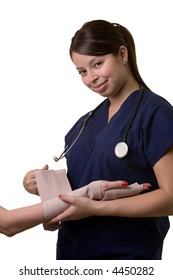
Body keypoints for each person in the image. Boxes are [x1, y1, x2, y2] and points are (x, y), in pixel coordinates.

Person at [23, 19, 173, 260]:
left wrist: (97, 208)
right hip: (72, 255)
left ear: (122, 54)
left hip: (126, 259)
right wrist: (40, 185)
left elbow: (171, 197)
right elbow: (82, 188)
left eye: (98, 64)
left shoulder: (155, 114)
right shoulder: (85, 123)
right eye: (82, 71)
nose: (91, 77)